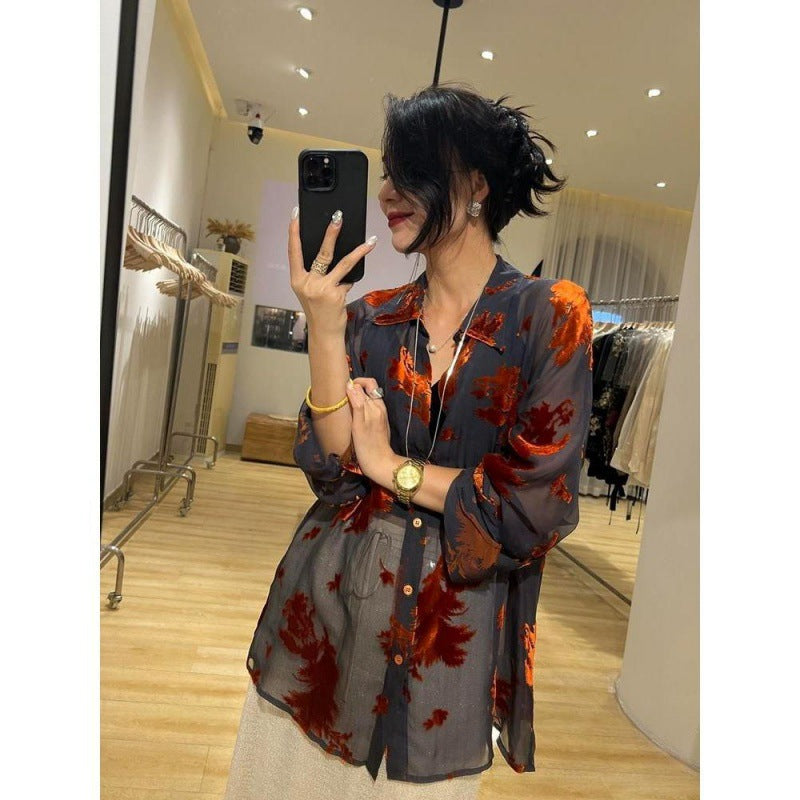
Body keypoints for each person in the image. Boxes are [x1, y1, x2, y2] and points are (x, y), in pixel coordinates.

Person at [223, 84, 593, 799]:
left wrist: (392, 467)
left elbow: (532, 507)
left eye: (411, 172)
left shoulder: (548, 316)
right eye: (388, 173)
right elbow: (335, 470)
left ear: (476, 185)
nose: (388, 192)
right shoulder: (372, 318)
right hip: (329, 618)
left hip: (445, 653)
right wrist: (325, 327)